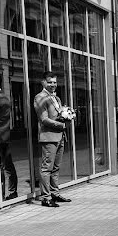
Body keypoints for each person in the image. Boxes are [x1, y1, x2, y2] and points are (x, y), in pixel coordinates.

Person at [33, 71, 72, 208]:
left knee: (56, 167)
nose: (53, 85)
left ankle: (55, 193)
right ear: (43, 82)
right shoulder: (40, 97)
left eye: (55, 82)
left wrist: (67, 116)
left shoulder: (57, 98)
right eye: (50, 82)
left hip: (60, 136)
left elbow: (59, 114)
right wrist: (62, 124)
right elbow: (43, 119)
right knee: (46, 168)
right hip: (49, 137)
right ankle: (46, 197)